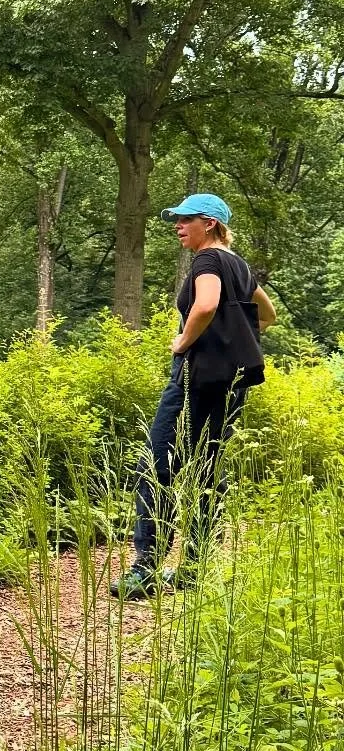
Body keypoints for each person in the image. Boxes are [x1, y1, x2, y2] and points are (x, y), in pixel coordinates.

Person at [113, 192, 276, 600]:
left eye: (186, 220)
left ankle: (146, 568)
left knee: (156, 465)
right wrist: (232, 337)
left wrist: (183, 342)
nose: (178, 226)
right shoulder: (238, 266)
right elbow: (268, 315)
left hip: (195, 378)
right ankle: (194, 567)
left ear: (210, 223)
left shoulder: (207, 259)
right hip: (230, 382)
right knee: (206, 467)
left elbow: (204, 306)